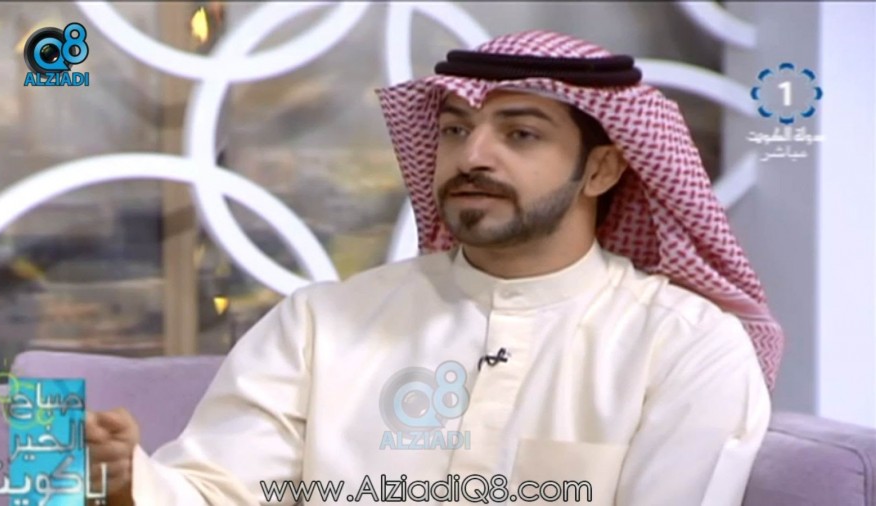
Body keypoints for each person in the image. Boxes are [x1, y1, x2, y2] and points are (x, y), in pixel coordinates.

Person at [87, 31, 783, 505]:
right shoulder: (322, 323)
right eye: (455, 129)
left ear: (601, 169)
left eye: (520, 133)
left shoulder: (686, 346)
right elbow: (219, 492)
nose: (472, 155)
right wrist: (122, 484)